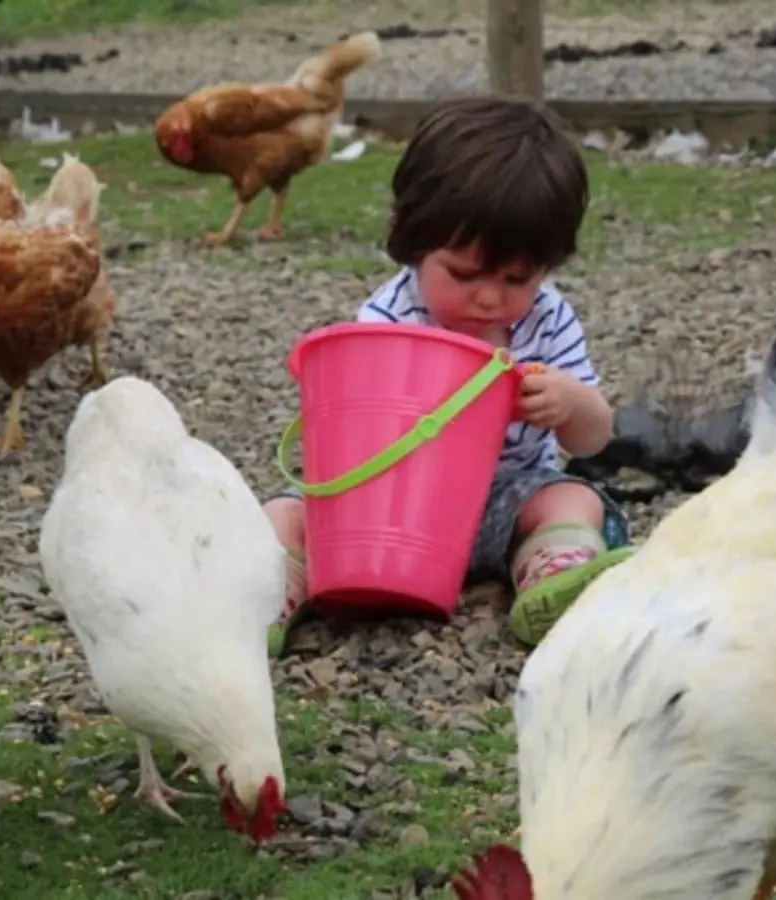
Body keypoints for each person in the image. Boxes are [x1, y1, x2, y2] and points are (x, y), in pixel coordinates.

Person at [266, 94, 633, 646]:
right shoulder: (389, 319)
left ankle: (554, 579)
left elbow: (595, 436)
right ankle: (270, 596)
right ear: (414, 243)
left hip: (502, 503)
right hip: (392, 512)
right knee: (285, 510)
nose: (489, 298)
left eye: (517, 279)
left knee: (571, 498)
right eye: (463, 274)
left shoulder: (547, 319)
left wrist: (571, 403)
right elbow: (356, 437)